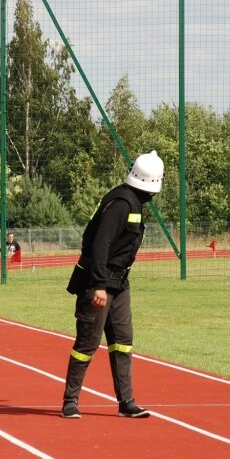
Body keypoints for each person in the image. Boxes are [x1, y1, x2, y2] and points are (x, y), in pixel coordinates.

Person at [61, 150, 164, 419]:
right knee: (88, 342)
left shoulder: (134, 202)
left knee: (122, 342)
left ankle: (126, 401)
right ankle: (70, 401)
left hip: (119, 282)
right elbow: (99, 244)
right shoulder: (121, 203)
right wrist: (97, 285)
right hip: (99, 281)